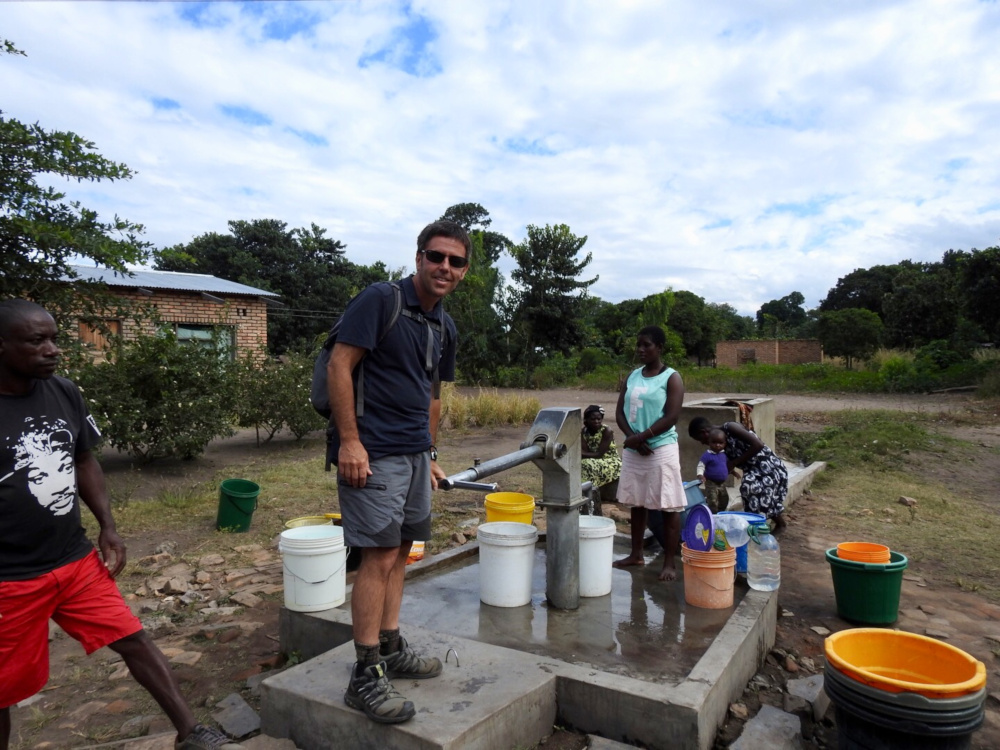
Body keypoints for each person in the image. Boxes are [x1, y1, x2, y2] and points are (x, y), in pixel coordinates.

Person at [0, 299, 241, 750]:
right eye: (37, 341)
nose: (53, 349)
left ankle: (191, 732)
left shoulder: (63, 391)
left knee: (132, 638)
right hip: (10, 580)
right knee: (3, 690)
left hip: (73, 560)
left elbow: (84, 458)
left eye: (54, 337)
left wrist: (107, 527)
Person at [327, 220, 469, 724]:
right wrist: (349, 441)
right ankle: (364, 674)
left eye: (455, 261)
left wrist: (430, 452)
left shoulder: (443, 325)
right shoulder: (379, 300)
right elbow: (340, 365)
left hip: (412, 455)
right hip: (372, 451)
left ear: (464, 270)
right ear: (418, 257)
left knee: (404, 551)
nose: (444, 268)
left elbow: (432, 396)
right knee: (379, 553)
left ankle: (389, 647)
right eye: (437, 257)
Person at [611, 326, 687, 581]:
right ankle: (636, 554)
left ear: (660, 348)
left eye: (647, 345)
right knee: (637, 502)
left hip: (660, 448)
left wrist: (641, 437)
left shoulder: (671, 378)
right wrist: (632, 439)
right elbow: (619, 412)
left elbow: (672, 416)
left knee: (667, 505)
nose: (641, 350)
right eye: (639, 345)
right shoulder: (633, 376)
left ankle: (669, 562)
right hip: (635, 447)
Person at [688, 416, 788, 531]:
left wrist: (734, 463)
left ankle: (762, 528)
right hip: (753, 470)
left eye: (700, 439)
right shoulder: (719, 444)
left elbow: (758, 444)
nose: (702, 443)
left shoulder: (731, 428)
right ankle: (757, 529)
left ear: (704, 432)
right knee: (751, 492)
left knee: (749, 487)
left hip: (769, 467)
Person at [580, 404, 621, 503]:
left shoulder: (607, 431)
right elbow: (584, 451)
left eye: (599, 419)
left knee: (586, 464)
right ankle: (585, 492)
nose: (596, 422)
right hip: (593, 459)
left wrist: (581, 454)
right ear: (586, 420)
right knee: (583, 463)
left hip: (610, 461)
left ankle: (588, 493)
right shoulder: (583, 431)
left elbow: (599, 454)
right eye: (592, 419)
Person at [696, 428, 731, 514]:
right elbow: (701, 465)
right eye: (714, 443)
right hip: (711, 483)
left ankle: (720, 512)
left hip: (722, 483)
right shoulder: (707, 455)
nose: (717, 445)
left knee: (724, 499)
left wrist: (733, 472)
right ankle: (713, 515)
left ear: (725, 443)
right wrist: (700, 474)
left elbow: (725, 465)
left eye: (720, 443)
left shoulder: (723, 454)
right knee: (712, 500)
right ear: (709, 442)